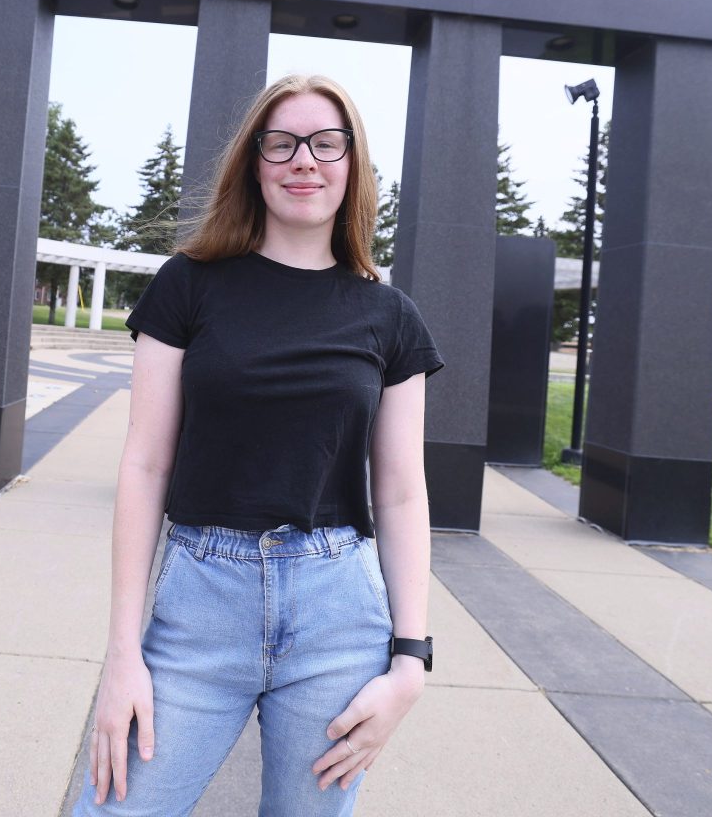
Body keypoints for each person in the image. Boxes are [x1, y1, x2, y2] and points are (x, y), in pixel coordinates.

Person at [75, 74, 442, 817]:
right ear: (255, 162)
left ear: (352, 165)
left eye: (326, 143)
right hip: (200, 606)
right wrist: (122, 655)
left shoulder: (390, 317)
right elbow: (146, 466)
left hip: (339, 615)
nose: (304, 159)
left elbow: (401, 492)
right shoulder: (188, 286)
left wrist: (411, 659)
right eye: (283, 143)